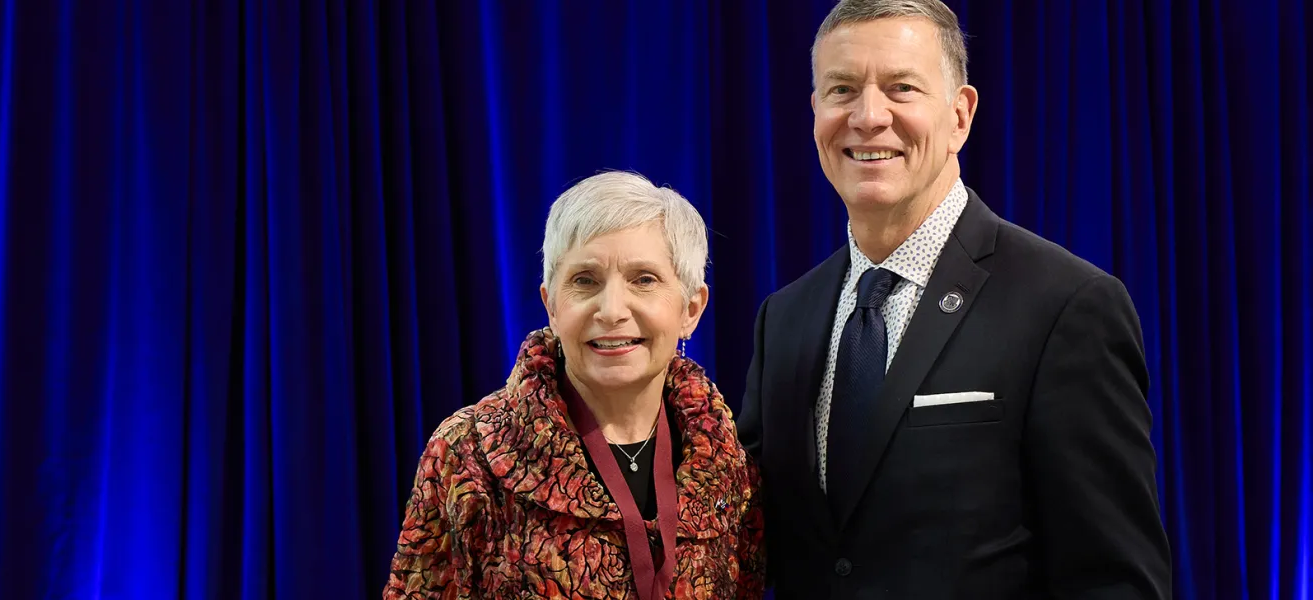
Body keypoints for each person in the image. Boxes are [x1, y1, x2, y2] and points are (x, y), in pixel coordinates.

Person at [735, 1, 1172, 598]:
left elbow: (1116, 580)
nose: (868, 116)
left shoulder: (1066, 306)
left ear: (960, 116)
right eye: (841, 90)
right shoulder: (783, 319)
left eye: (901, 88)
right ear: (814, 113)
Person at [384, 170, 766, 599]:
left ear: (690, 309)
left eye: (644, 279)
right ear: (551, 305)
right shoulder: (468, 453)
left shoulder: (727, 467)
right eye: (585, 281)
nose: (612, 310)